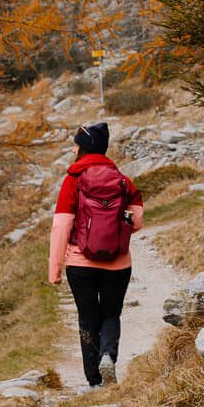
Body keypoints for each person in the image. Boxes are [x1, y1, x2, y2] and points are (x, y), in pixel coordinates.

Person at [48, 120, 144, 387]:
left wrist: (54, 270)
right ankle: (108, 357)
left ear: (82, 148)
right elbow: (136, 222)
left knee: (87, 318)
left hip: (80, 263)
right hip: (118, 263)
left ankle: (94, 381)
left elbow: (61, 227)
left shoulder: (73, 181)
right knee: (111, 314)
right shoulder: (123, 181)